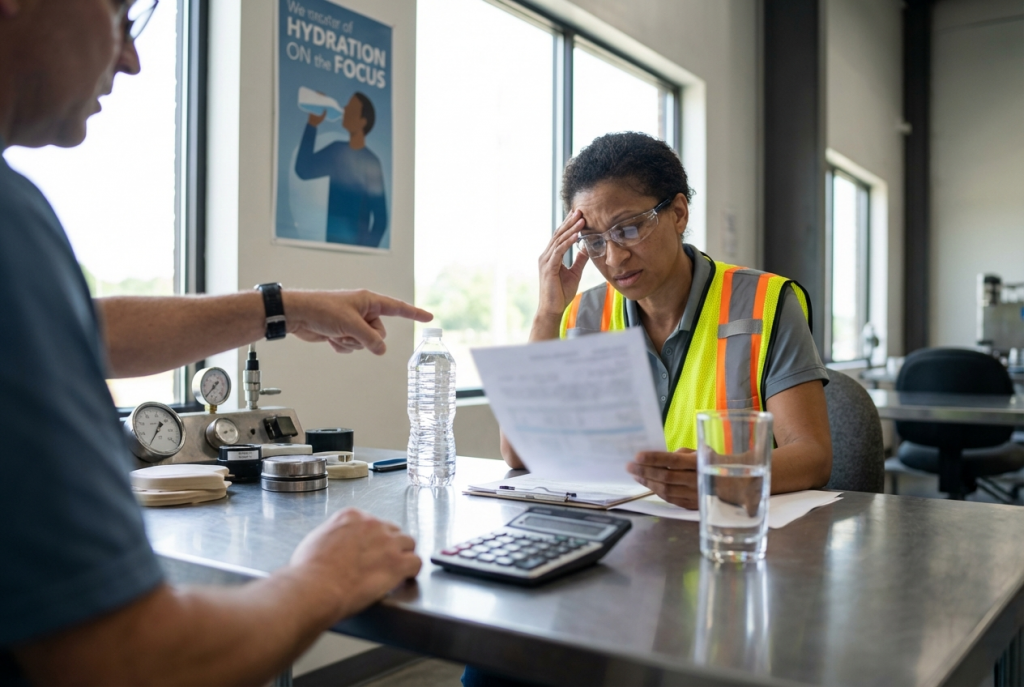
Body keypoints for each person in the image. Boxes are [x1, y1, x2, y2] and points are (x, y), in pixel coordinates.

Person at [0, 1, 428, 684]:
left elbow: (77, 327)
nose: (131, 57)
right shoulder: (11, 224)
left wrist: (281, 307)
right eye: (121, 14)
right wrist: (322, 577)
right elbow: (128, 656)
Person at [501, 132, 833, 509]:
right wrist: (547, 314)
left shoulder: (764, 303)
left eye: (627, 229)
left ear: (678, 213)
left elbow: (813, 456)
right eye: (594, 241)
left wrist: (721, 475)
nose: (613, 259)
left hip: (729, 536)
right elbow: (517, 454)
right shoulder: (580, 315)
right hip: (620, 540)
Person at [297, 91, 389, 247]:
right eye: (346, 107)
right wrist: (312, 125)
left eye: (351, 109)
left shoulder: (371, 163)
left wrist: (366, 251)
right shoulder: (336, 151)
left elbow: (381, 219)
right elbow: (303, 170)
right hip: (332, 249)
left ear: (362, 122)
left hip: (357, 254)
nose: (345, 110)